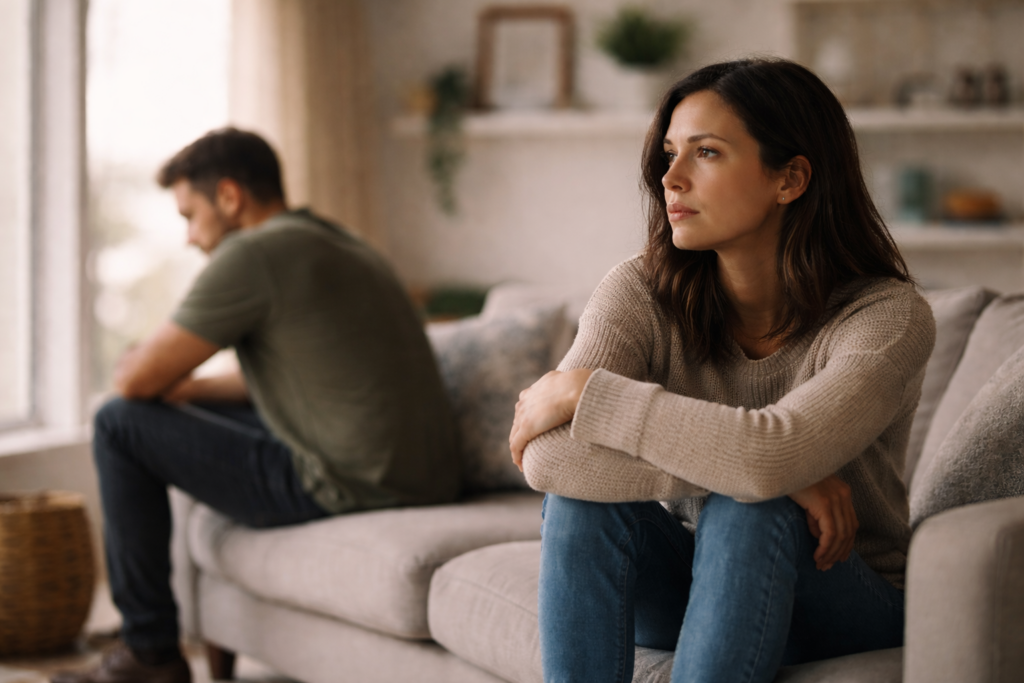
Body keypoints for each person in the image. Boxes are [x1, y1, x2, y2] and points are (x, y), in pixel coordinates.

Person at [508, 59, 935, 683]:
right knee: (584, 504)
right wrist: (773, 473)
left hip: (844, 593)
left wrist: (587, 394)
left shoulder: (888, 318)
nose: (670, 180)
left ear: (790, 179)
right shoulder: (638, 291)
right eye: (670, 153)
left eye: (706, 153)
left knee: (754, 507)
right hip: (695, 583)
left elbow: (769, 459)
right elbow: (547, 459)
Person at [55, 128, 460, 683]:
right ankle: (151, 645)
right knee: (155, 413)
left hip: (350, 480)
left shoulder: (254, 253)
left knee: (118, 424)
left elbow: (134, 383)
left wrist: (150, 374)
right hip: (422, 476)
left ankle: (150, 654)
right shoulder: (340, 241)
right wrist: (192, 390)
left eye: (189, 215)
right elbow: (307, 382)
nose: (190, 238)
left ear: (229, 196)